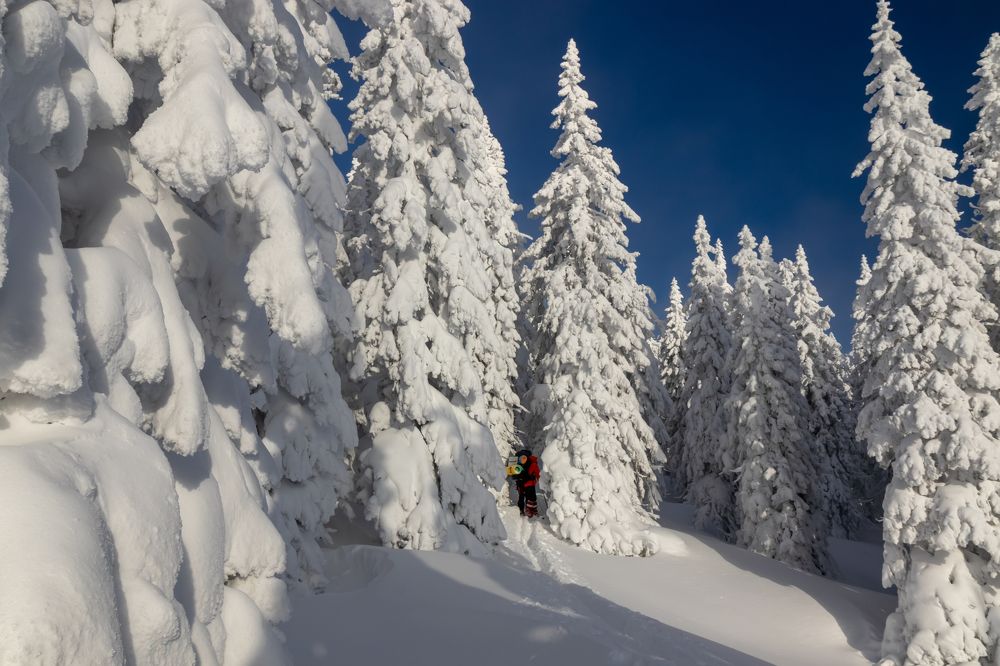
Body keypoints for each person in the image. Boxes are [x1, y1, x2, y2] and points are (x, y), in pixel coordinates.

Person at [512, 448, 540, 518]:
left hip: (520, 482)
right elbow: (538, 474)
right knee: (530, 497)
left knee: (521, 496)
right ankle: (530, 511)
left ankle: (520, 510)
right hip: (530, 483)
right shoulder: (532, 462)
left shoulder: (517, 460)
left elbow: (513, 473)